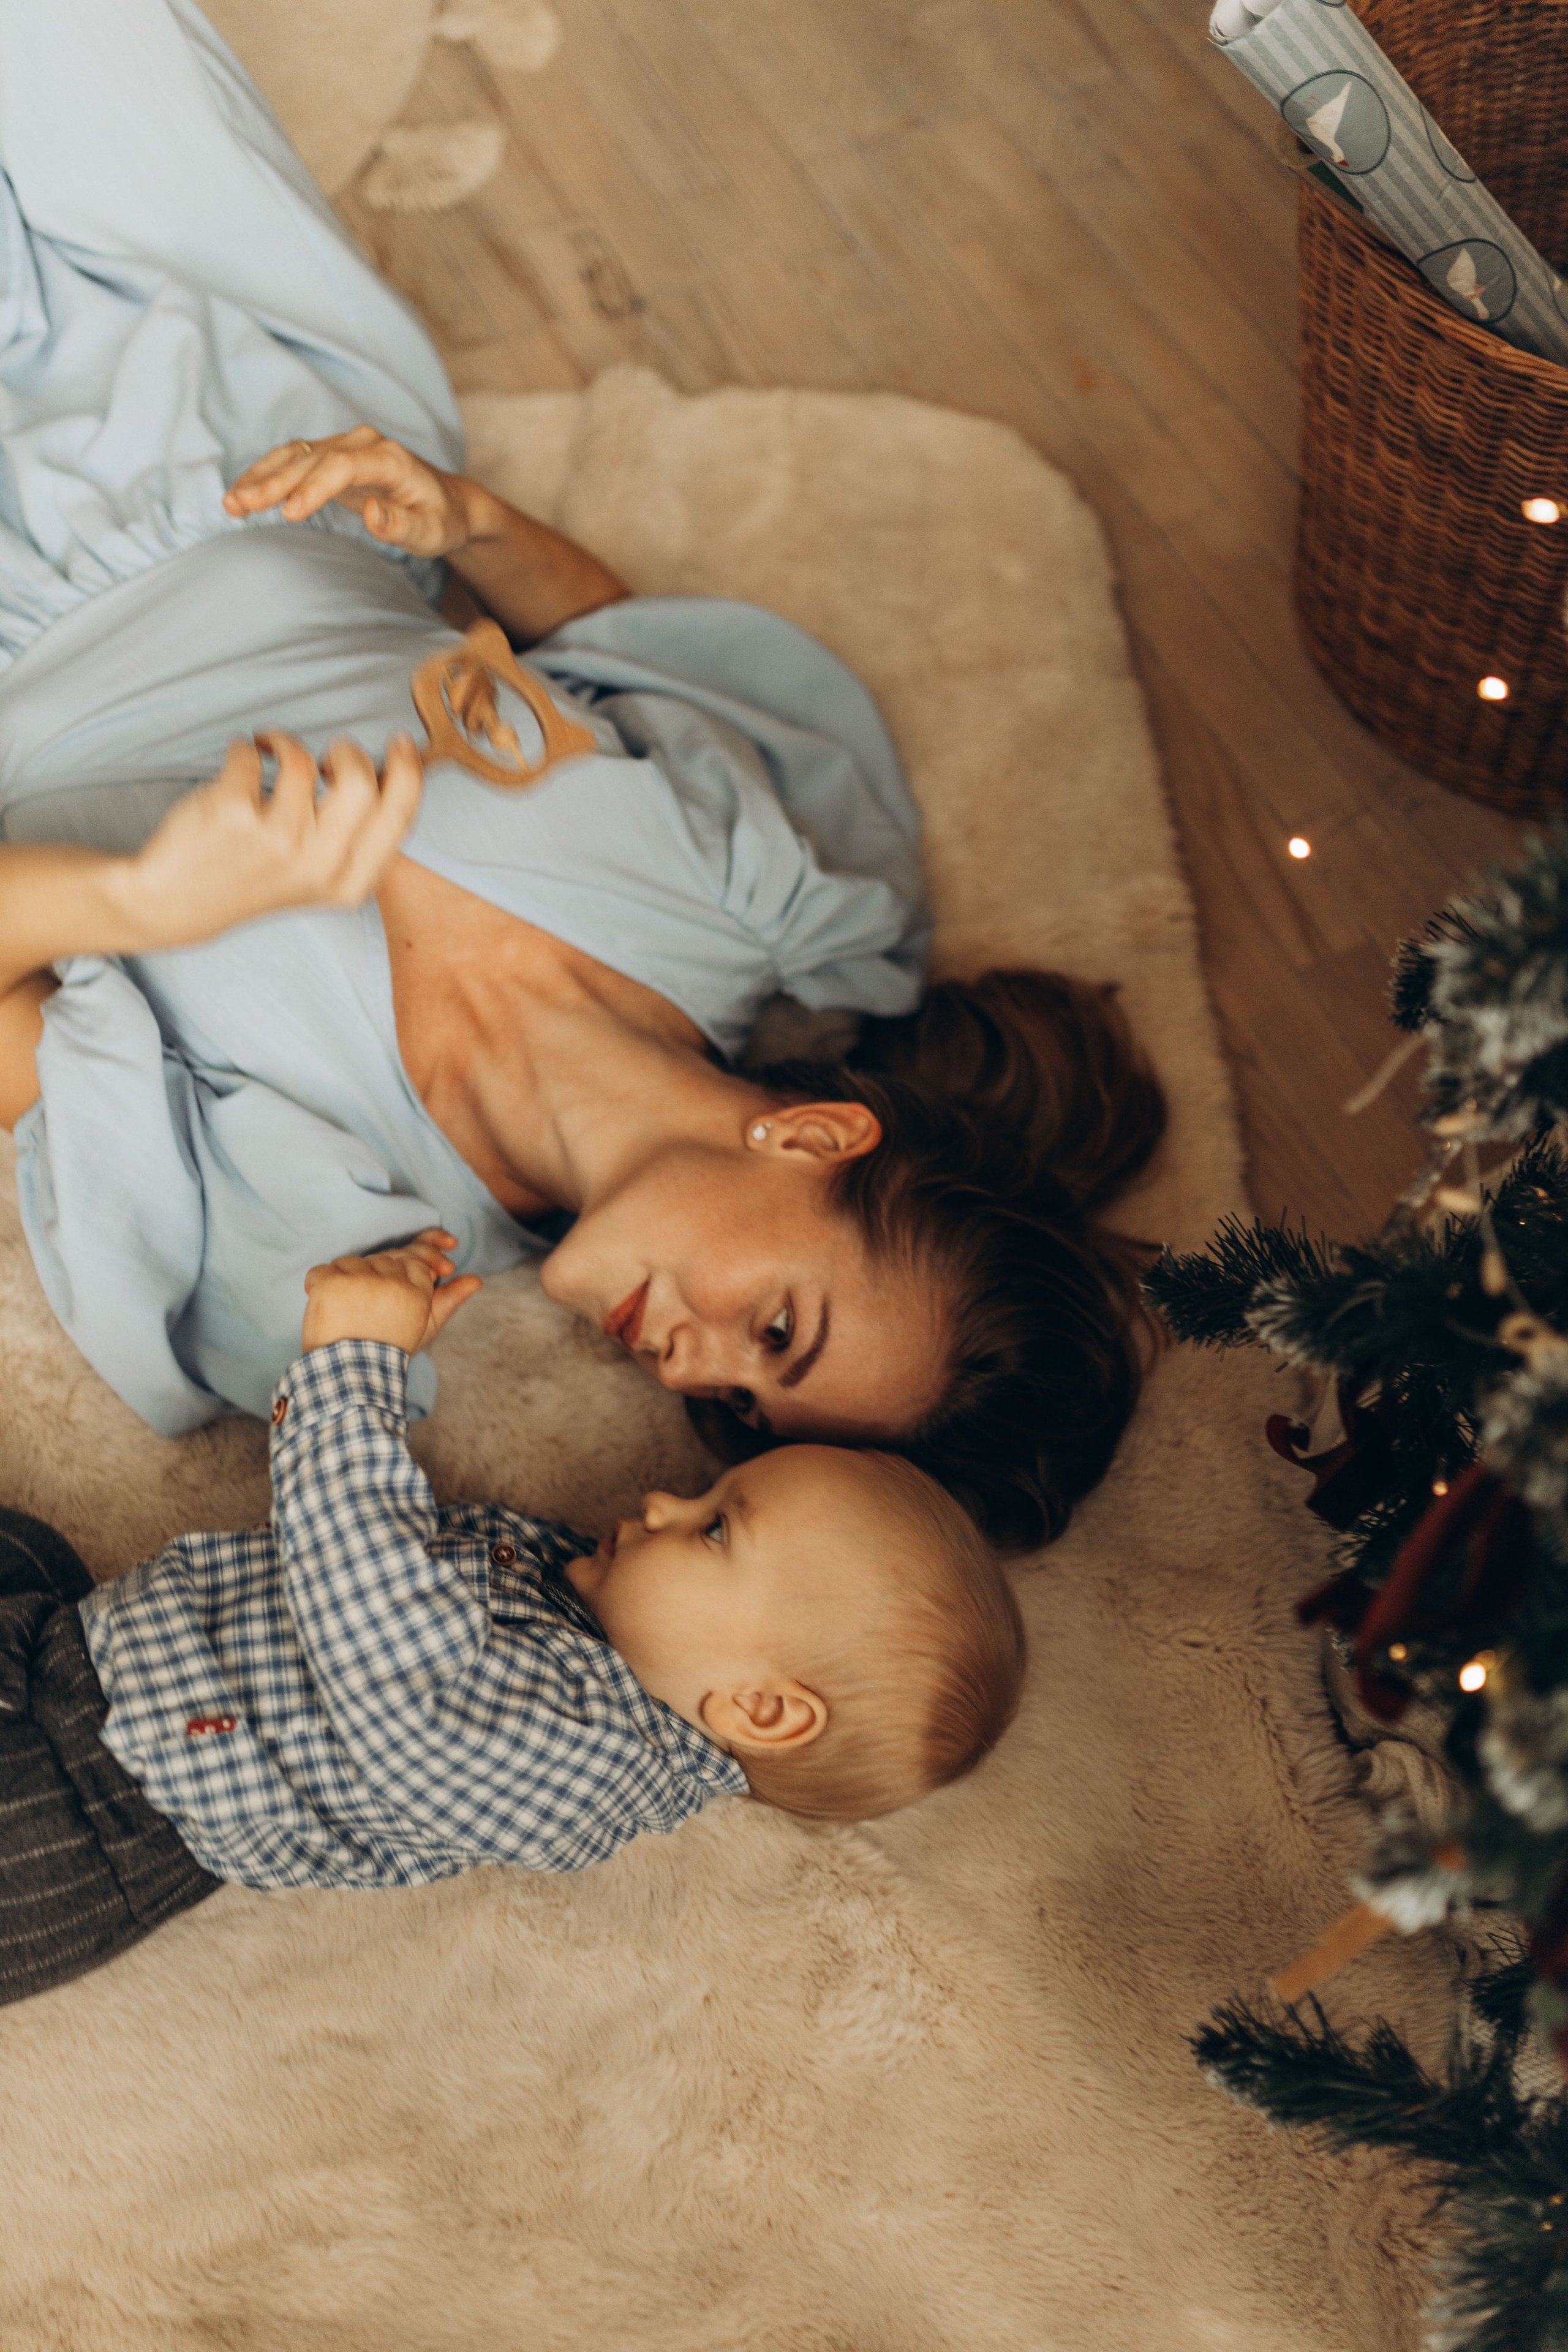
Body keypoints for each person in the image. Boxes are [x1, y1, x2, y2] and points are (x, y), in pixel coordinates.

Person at [0, 0, 1166, 1549]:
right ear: (816, 1140)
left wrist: (143, 897)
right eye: (778, 1333)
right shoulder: (756, 903)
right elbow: (620, 639)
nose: (691, 1369)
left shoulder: (340, 1242)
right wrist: (462, 521)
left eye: (742, 1415)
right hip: (206, 418)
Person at [0, 1234, 1025, 2008]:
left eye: (714, 1532)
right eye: (708, 1495)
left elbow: (379, 1632)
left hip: (97, 1810)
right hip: (81, 1647)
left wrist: (353, 1373)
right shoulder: (590, 1606)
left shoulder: (586, 1759)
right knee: (27, 1550)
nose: (667, 1503)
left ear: (758, 1708)